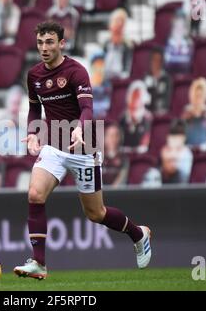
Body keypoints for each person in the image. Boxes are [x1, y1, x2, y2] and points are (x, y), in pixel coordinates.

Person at [13, 21, 152, 280]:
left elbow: (87, 108)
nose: (44, 47)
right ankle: (39, 263)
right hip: (53, 146)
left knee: (96, 213)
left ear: (61, 43)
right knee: (34, 194)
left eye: (50, 42)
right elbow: (35, 108)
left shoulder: (76, 71)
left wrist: (80, 129)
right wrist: (32, 133)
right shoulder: (34, 75)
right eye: (40, 42)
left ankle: (138, 234)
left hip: (83, 148)